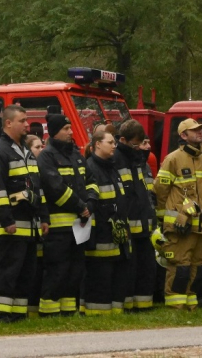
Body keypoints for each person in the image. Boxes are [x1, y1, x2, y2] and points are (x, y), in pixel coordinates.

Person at [0, 105, 49, 322]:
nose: (27, 124)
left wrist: (44, 217)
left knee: (26, 272)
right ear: (8, 123)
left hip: (31, 225)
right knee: (7, 270)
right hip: (12, 224)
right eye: (22, 120)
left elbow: (37, 187)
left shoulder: (25, 151)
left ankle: (18, 315)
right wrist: (6, 220)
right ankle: (0, 314)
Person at [153, 118, 202, 310]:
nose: (200, 133)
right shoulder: (173, 159)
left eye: (200, 130)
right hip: (180, 225)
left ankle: (192, 305)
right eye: (195, 130)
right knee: (180, 266)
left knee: (198, 266)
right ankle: (176, 307)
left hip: (199, 227)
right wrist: (166, 219)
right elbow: (160, 190)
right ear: (184, 136)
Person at [37, 112, 88, 316]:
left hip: (79, 226)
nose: (70, 132)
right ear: (55, 132)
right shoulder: (47, 156)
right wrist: (80, 206)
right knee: (57, 270)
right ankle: (49, 311)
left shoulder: (75, 154)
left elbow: (89, 181)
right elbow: (55, 188)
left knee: (74, 271)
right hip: (58, 227)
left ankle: (67, 311)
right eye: (66, 129)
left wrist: (89, 203)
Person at [83, 130, 131, 315]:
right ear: (97, 145)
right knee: (100, 274)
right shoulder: (90, 168)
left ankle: (115, 311)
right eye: (110, 142)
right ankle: (98, 312)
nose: (114, 145)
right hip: (100, 234)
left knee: (116, 273)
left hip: (115, 233)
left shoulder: (112, 167)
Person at [112, 119, 157, 312]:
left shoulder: (137, 159)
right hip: (129, 225)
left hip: (145, 225)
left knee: (146, 268)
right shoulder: (116, 159)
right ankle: (128, 306)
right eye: (135, 144)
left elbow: (144, 193)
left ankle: (144, 305)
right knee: (128, 269)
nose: (139, 148)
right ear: (123, 139)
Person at [25, 133, 44, 318]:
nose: (41, 150)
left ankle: (33, 310)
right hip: (29, 228)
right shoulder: (28, 170)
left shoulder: (39, 169)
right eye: (37, 147)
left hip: (39, 228)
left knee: (38, 271)